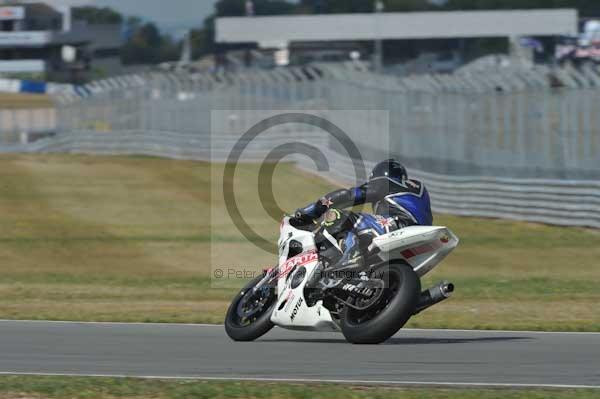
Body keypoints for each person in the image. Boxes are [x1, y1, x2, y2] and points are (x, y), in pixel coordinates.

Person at [293, 159, 432, 271]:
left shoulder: (386, 182)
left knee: (335, 214)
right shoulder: (417, 188)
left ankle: (351, 256)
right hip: (419, 239)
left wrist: (312, 211)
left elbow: (349, 196)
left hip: (397, 226)